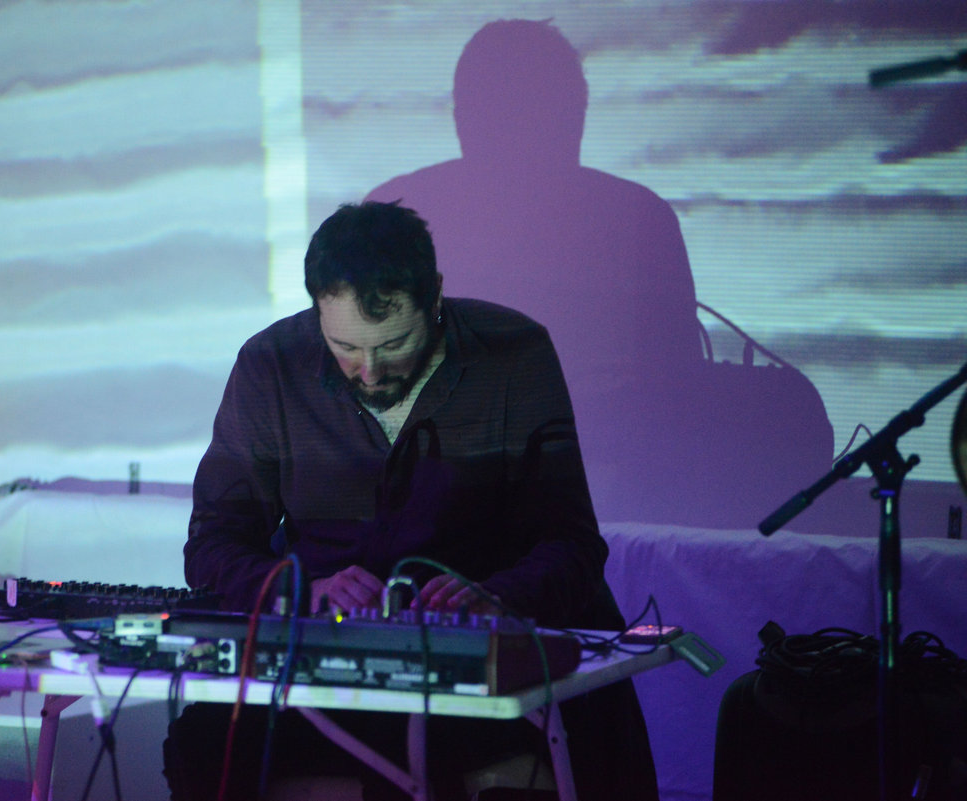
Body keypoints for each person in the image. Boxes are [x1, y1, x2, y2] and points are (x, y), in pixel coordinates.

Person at [164, 200, 658, 801]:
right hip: (327, 667)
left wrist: (497, 599)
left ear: (435, 298)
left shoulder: (513, 354)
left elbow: (572, 543)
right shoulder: (270, 365)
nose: (369, 371)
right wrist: (305, 592)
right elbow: (212, 545)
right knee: (202, 743)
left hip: (482, 673)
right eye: (345, 346)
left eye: (394, 343)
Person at [366, 19, 832, 528]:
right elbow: (676, 383)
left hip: (542, 509)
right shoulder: (637, 215)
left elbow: (674, 390)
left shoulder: (393, 213)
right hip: (582, 512)